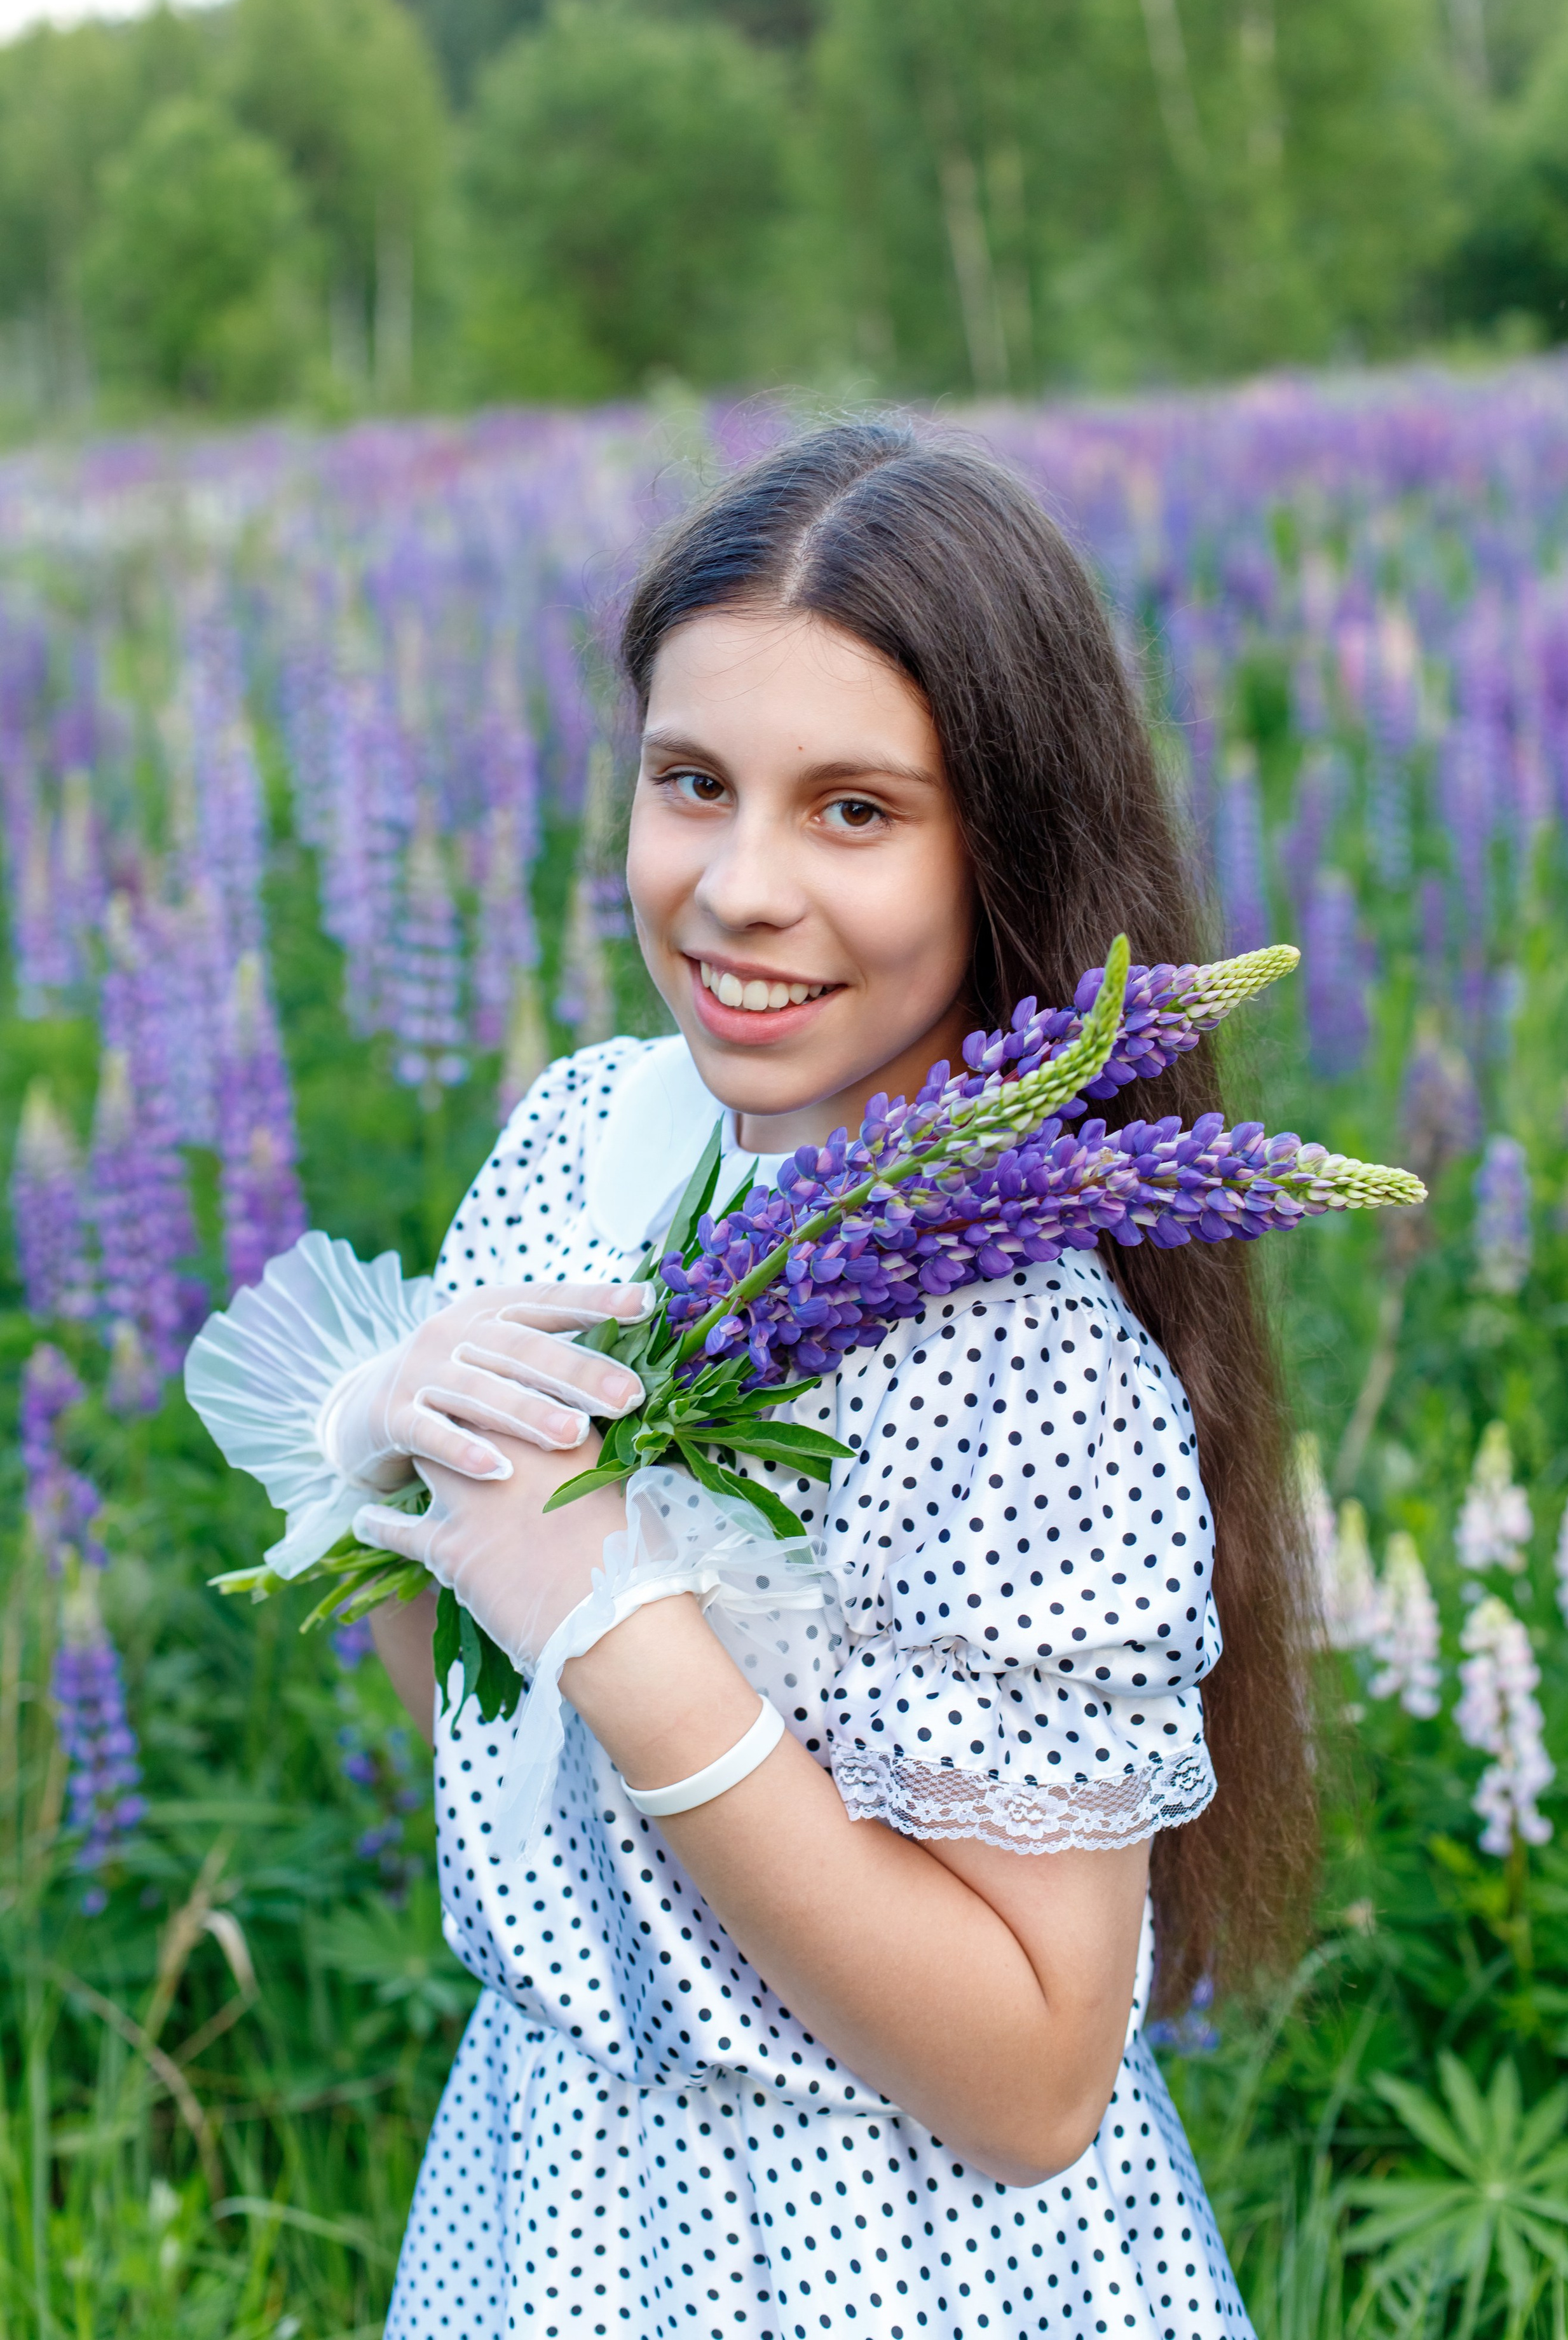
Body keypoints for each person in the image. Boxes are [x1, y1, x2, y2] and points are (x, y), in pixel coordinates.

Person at [201, 423, 1317, 2339]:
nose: (736, 889)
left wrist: (631, 1624)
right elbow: (485, 1733)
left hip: (883, 2248)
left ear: (1011, 842)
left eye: (856, 811)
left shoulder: (1035, 1356)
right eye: (691, 782)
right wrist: (404, 1487)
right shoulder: (584, 1142)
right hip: (550, 2197)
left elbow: (1037, 2086)